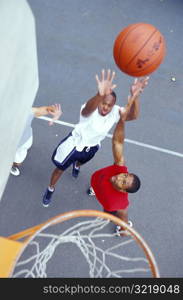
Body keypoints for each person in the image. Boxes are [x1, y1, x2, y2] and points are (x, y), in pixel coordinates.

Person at [42, 69, 148, 207]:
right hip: (74, 145)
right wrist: (100, 94)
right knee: (59, 169)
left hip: (92, 147)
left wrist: (135, 97)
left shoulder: (115, 111)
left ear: (114, 105)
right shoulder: (89, 108)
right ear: (99, 101)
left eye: (109, 105)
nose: (105, 107)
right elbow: (86, 111)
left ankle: (77, 166)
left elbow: (133, 116)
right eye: (103, 103)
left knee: (80, 162)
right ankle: (50, 188)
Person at [88, 89, 147, 236]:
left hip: (106, 200)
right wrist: (121, 120)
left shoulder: (119, 204)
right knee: (100, 185)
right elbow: (118, 142)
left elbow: (123, 216)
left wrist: (124, 226)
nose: (120, 177)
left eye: (123, 182)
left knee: (109, 215)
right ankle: (95, 189)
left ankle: (120, 230)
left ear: (122, 190)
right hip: (97, 181)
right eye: (125, 176)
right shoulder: (119, 168)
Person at [10, 104, 62, 176]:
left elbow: (46, 109)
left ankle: (12, 165)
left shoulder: (25, 111)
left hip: (23, 142)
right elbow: (45, 109)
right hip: (18, 143)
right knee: (16, 160)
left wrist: (54, 110)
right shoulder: (25, 111)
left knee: (17, 161)